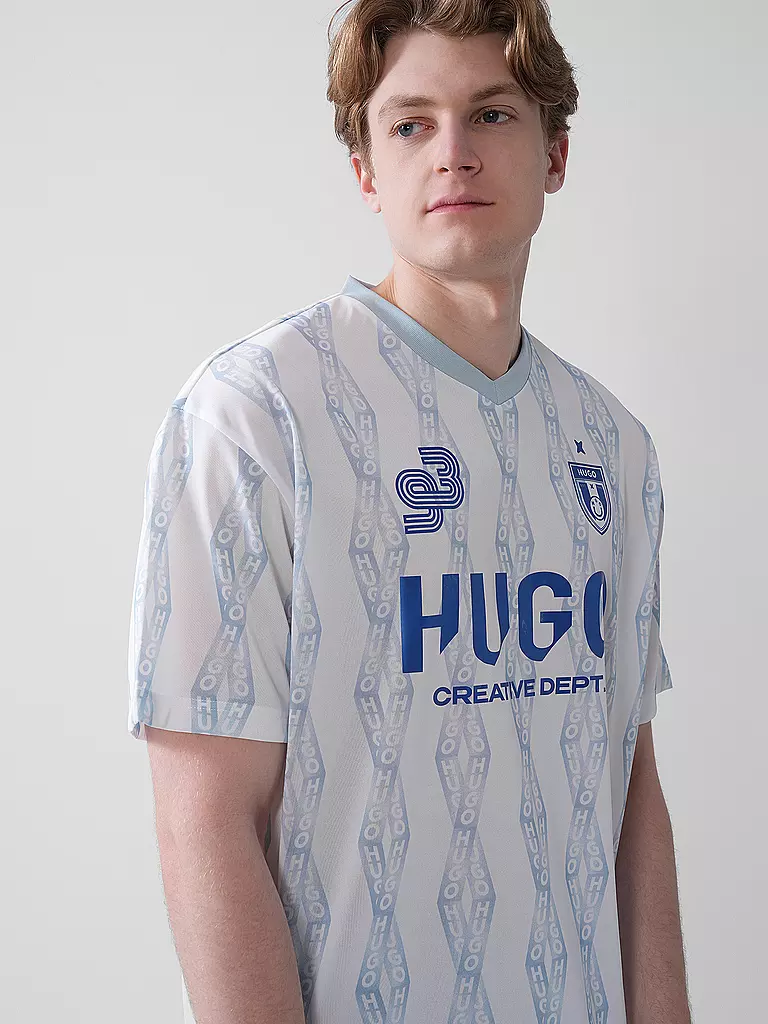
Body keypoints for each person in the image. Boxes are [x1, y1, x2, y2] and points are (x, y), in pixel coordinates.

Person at [127, 2, 692, 1022]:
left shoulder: (613, 446)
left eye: (493, 114)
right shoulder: (255, 416)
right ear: (366, 170)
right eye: (411, 123)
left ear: (556, 153)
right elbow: (204, 817)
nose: (453, 153)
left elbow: (631, 788)